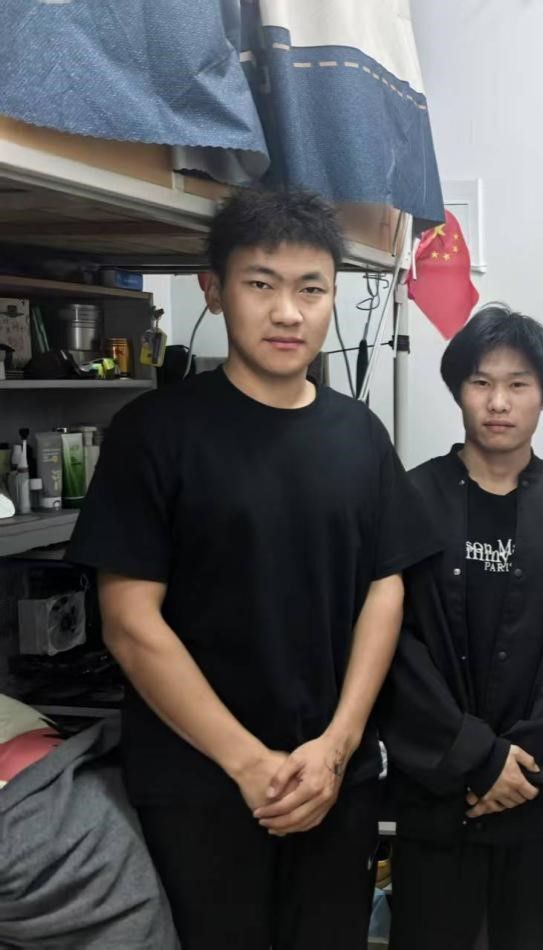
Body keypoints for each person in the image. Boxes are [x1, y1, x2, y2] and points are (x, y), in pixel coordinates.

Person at [66, 188, 428, 950]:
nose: (288, 313)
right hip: (201, 786)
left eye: (311, 289)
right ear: (214, 288)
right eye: (261, 284)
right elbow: (130, 624)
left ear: (333, 295)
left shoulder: (360, 436)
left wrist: (336, 747)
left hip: (335, 781)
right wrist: (249, 763)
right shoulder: (154, 432)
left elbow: (384, 588)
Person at [380, 305, 543, 950]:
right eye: (481, 382)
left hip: (531, 789)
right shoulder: (409, 501)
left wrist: (517, 769)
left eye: (518, 384)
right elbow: (394, 647)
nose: (499, 402)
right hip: (436, 784)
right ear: (458, 390)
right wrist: (473, 759)